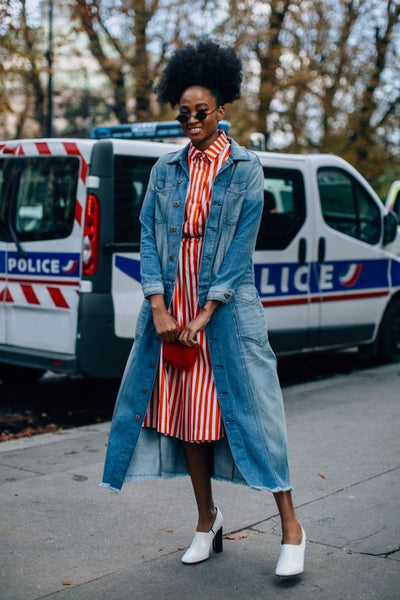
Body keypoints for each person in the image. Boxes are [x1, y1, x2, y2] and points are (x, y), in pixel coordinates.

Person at [101, 39, 306, 577]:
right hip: (172, 320)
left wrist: (205, 312)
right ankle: (205, 520)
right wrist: (161, 308)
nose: (191, 120)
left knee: (257, 421)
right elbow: (146, 237)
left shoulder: (245, 169)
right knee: (191, 424)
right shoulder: (166, 169)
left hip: (228, 319)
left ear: (221, 110)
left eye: (201, 112)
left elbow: (240, 252)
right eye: (183, 113)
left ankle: (291, 528)